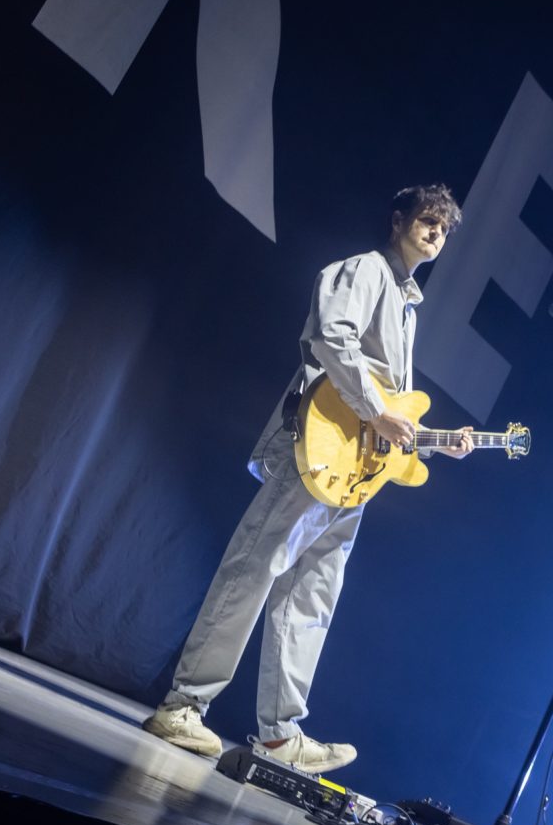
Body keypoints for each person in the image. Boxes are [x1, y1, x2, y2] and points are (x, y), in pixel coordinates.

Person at [142, 184, 474, 774]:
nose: (435, 234)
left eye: (444, 230)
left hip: (355, 471)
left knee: (312, 593)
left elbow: (390, 410)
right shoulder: (365, 271)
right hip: (319, 452)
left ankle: (278, 734)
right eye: (427, 221)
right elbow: (331, 338)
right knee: (254, 568)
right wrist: (376, 411)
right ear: (398, 220)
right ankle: (184, 705)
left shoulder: (405, 303)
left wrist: (431, 440)